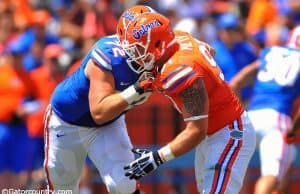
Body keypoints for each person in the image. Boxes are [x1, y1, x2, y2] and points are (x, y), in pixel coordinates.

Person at [117, 10, 256, 194]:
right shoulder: (179, 38)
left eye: (139, 49)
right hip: (213, 132)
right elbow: (209, 50)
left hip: (228, 132)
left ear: (158, 44)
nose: (134, 56)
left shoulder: (180, 71)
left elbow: (195, 132)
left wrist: (157, 157)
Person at [44, 5, 155, 194]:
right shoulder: (109, 55)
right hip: (68, 121)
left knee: (123, 184)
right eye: (142, 38)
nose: (150, 45)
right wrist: (134, 91)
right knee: (64, 189)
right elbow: (99, 112)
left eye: (154, 37)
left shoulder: (162, 49)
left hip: (109, 123)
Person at [230, 25, 300, 194]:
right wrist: (293, 130)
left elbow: (235, 82)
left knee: (237, 174)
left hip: (250, 118)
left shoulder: (269, 52)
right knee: (273, 175)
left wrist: (240, 116)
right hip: (277, 119)